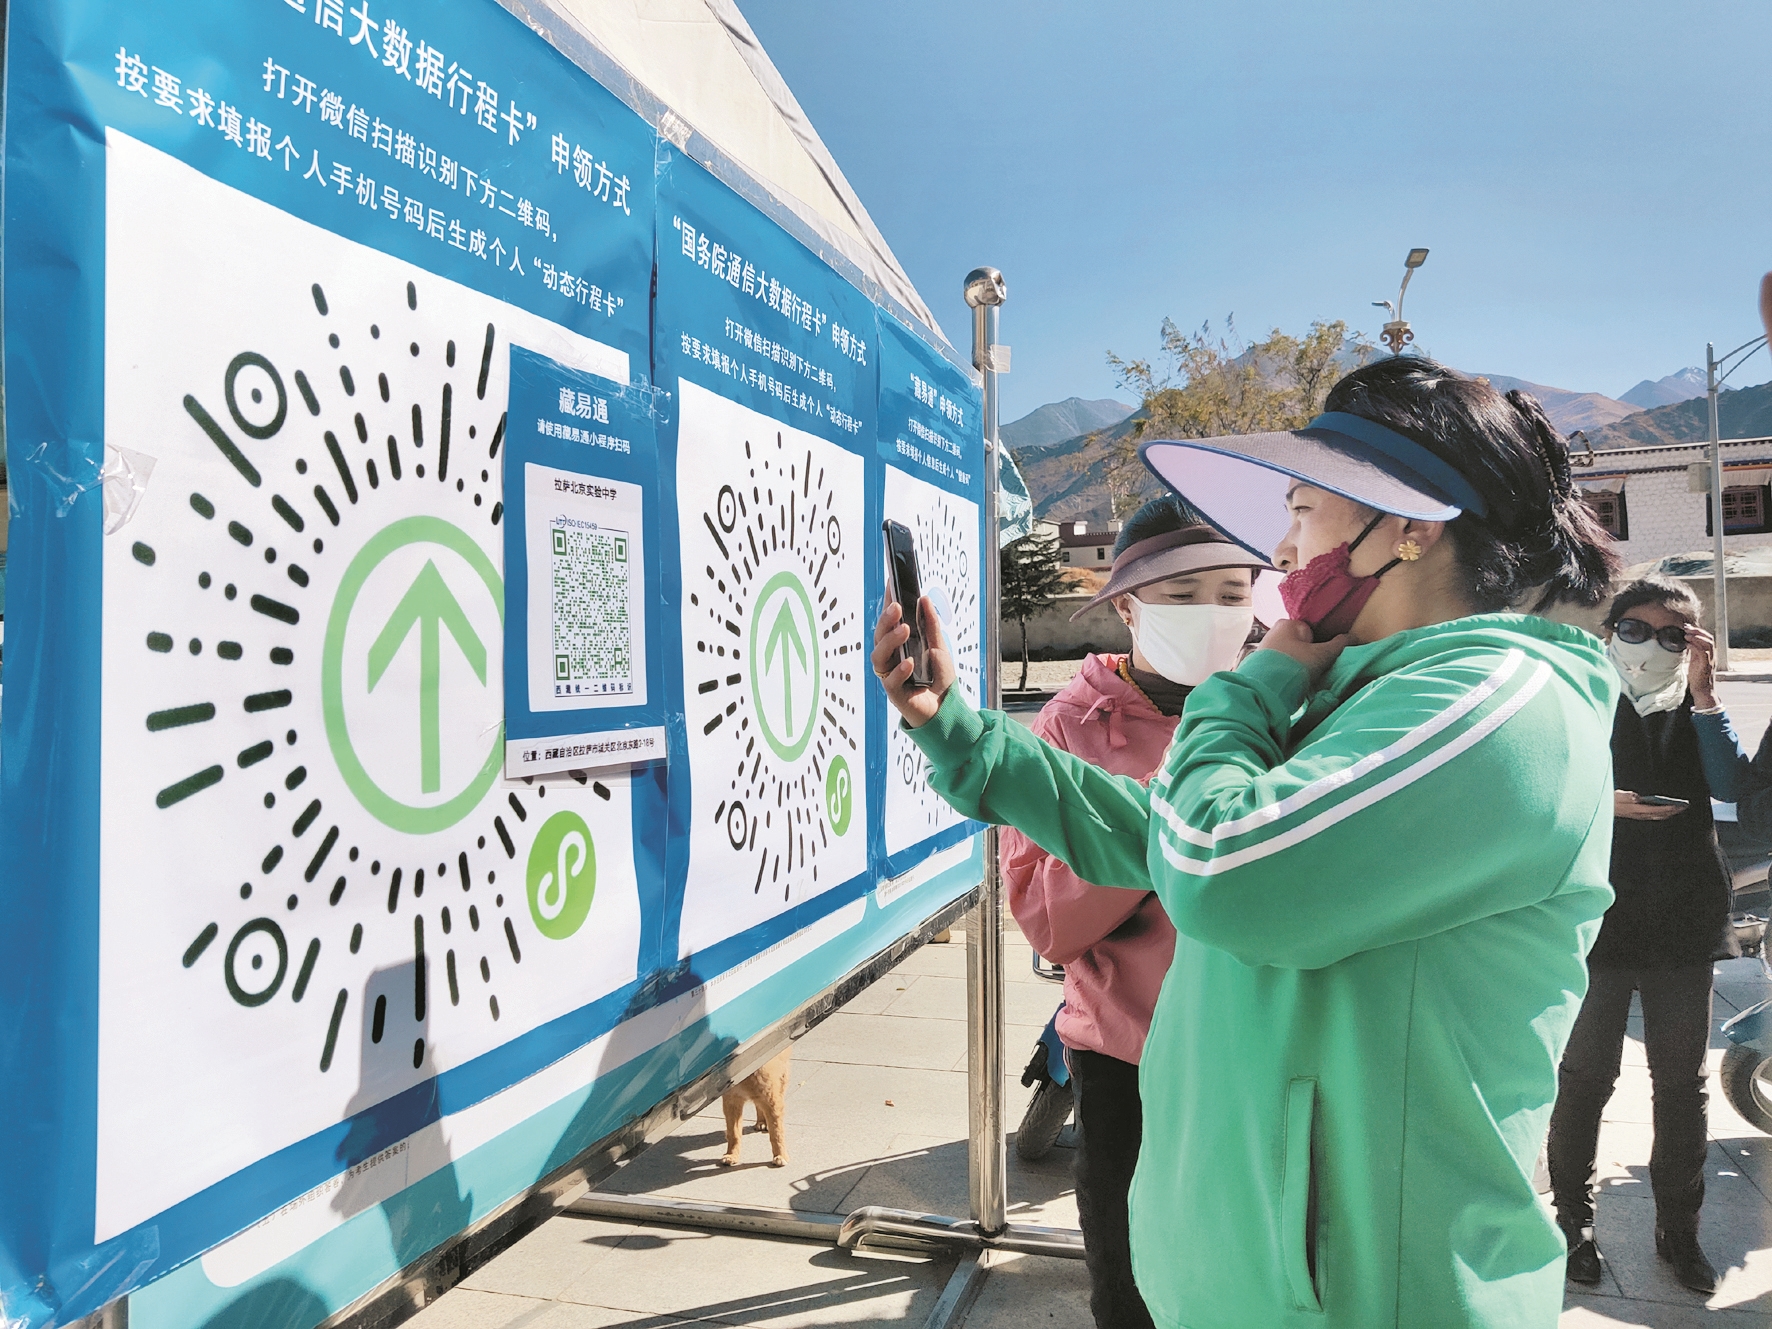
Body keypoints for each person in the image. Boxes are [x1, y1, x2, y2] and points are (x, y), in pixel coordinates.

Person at [873, 356, 1622, 1328]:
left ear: (1408, 525)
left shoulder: (1489, 703)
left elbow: (1215, 868)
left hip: (1367, 1298)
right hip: (1274, 1284)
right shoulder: (1373, 693)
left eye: (1302, 509)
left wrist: (1248, 683)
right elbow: (1161, 832)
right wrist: (957, 730)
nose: (1283, 544)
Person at [1002, 497, 1275, 1329]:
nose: (1213, 613)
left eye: (1232, 593)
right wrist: (1167, 816)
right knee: (1128, 1284)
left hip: (1257, 1049)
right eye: (1183, 593)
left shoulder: (1284, 712)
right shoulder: (1067, 724)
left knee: (1247, 1277)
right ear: (1127, 606)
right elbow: (1045, 918)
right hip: (1123, 1054)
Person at [1548, 577, 1745, 1293]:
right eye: (1634, 629)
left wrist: (1705, 695)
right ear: (1610, 630)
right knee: (1584, 1079)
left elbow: (1731, 785)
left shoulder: (1696, 708)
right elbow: (1542, 789)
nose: (1649, 646)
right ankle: (1574, 1226)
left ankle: (1679, 1232)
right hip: (1598, 913)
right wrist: (1604, 803)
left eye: (1671, 635)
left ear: (1692, 645)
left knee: (1681, 1084)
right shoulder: (1582, 696)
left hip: (1684, 915)